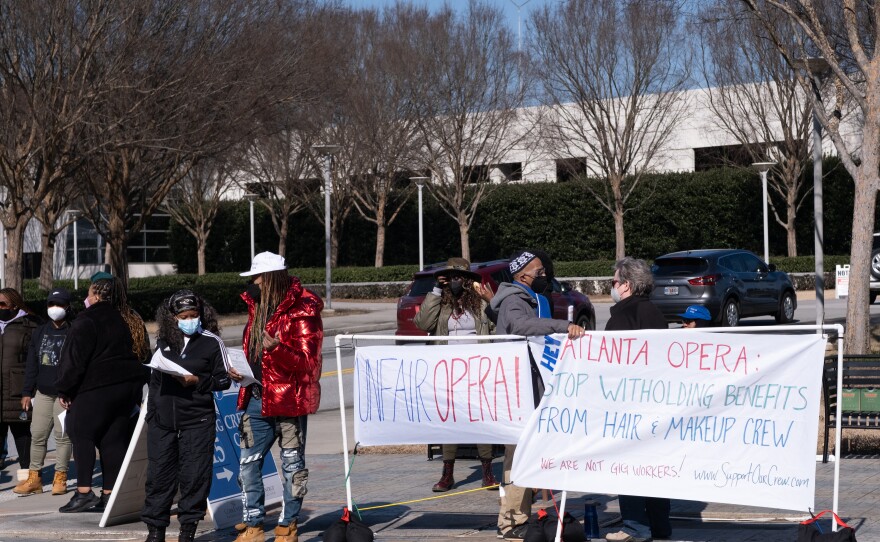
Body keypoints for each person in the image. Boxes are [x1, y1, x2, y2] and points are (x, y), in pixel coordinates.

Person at [489, 250, 585, 541]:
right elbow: (520, 326)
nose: (545, 276)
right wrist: (562, 327)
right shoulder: (514, 301)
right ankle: (512, 521)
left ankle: (519, 516)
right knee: (517, 456)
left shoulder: (526, 298)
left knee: (523, 455)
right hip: (517, 392)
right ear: (522, 275)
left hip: (530, 389)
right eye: (540, 271)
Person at [234, 252, 324, 542]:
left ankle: (288, 525)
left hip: (289, 401)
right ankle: (254, 525)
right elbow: (253, 353)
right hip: (258, 396)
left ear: (271, 278)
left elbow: (309, 364)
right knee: (248, 464)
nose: (252, 282)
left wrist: (276, 349)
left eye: (256, 277)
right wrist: (240, 371)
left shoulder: (303, 309)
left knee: (292, 465)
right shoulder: (257, 306)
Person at [141, 290, 233, 542]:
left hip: (197, 421)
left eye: (194, 315)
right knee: (158, 477)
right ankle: (155, 530)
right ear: (173, 317)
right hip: (163, 421)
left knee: (194, 476)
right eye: (184, 316)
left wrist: (198, 381)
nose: (190, 320)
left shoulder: (212, 342)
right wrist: (153, 415)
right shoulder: (163, 341)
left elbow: (223, 380)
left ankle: (188, 530)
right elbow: (154, 380)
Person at [55, 276, 149, 513]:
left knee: (80, 432)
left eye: (88, 294)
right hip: (125, 385)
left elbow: (74, 360)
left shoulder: (86, 320)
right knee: (112, 438)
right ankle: (109, 494)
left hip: (97, 385)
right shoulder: (123, 318)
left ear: (95, 296)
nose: (86, 298)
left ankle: (84, 492)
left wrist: (65, 389)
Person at [412, 257, 498, 492]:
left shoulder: (479, 304)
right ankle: (447, 474)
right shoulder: (442, 303)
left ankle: (488, 472)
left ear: (469, 280)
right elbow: (422, 323)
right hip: (448, 372)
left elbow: (498, 326)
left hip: (477, 371)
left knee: (481, 420)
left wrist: (491, 301)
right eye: (452, 277)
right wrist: (436, 289)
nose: (456, 281)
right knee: (449, 421)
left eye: (461, 277)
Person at [604, 257, 670, 542]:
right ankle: (659, 527)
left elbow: (611, 364)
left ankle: (634, 527)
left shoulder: (623, 317)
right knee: (653, 468)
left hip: (629, 405)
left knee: (628, 465)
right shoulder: (655, 312)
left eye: (615, 282)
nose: (613, 286)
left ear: (627, 285)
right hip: (656, 403)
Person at [14, 288, 75, 496]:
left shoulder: (74, 331)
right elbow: (32, 364)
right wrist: (26, 391)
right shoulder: (40, 331)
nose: (54, 308)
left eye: (59, 304)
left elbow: (77, 364)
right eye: (51, 304)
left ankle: (61, 477)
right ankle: (34, 478)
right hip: (42, 393)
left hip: (64, 395)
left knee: (63, 436)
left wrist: (70, 391)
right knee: (37, 435)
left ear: (68, 306)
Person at [0, 288, 41, 486]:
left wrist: (31, 390)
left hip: (18, 389)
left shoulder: (30, 325)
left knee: (22, 434)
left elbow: (36, 360)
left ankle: (27, 477)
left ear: (14, 305)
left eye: (2, 304)